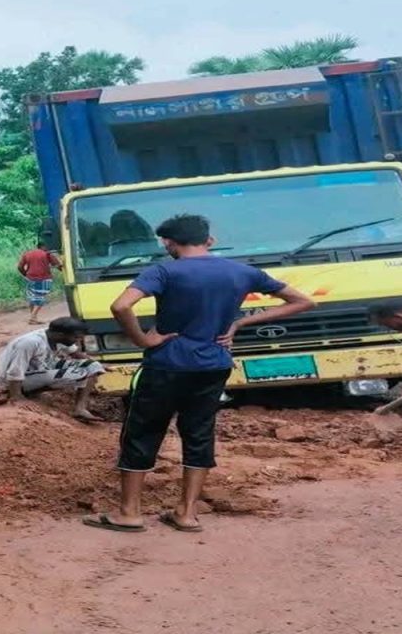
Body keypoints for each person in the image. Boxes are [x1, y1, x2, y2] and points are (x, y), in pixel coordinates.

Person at [85, 214, 315, 534]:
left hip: (166, 364)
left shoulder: (163, 270)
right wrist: (238, 323)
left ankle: (130, 513)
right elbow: (303, 301)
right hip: (214, 364)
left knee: (142, 432)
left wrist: (142, 339)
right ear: (208, 239)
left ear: (169, 243)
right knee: (199, 433)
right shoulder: (242, 271)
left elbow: (122, 306)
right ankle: (187, 513)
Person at [0, 317, 105, 421]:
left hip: (41, 370)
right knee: (80, 373)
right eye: (76, 337)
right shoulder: (30, 342)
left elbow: (76, 353)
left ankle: (80, 409)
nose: (78, 340)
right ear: (60, 334)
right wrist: (17, 397)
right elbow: (15, 371)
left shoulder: (56, 336)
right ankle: (25, 393)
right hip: (14, 381)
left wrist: (96, 365)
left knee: (92, 366)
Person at [17, 242, 62, 324]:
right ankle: (32, 317)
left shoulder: (27, 254)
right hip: (44, 278)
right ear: (43, 246)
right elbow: (58, 265)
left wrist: (25, 274)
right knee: (41, 297)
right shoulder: (47, 254)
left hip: (30, 278)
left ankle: (34, 318)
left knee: (32, 298)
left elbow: (20, 267)